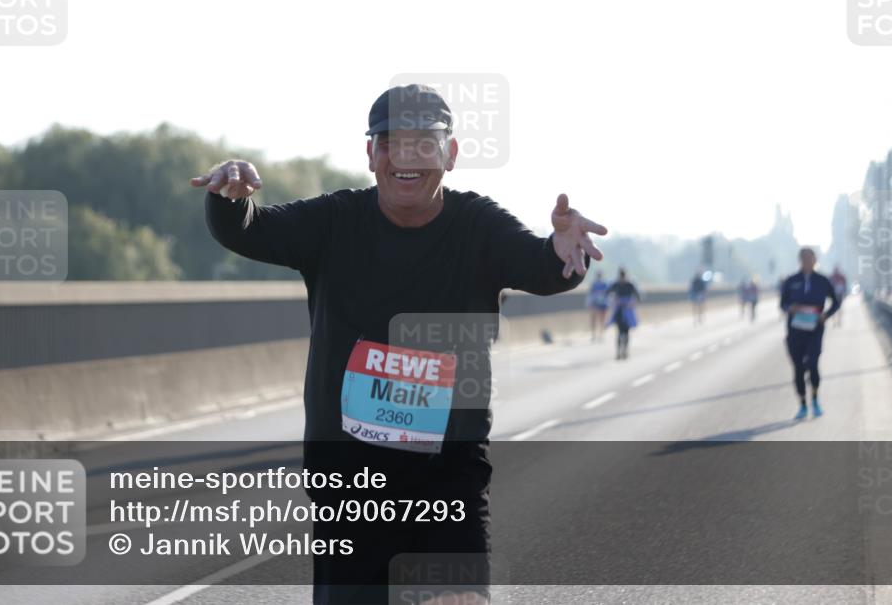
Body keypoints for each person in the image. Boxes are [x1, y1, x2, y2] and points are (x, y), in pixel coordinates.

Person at [191, 84, 607, 605]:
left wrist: (563, 251)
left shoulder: (477, 225)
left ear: (451, 154)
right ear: (370, 155)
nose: (405, 157)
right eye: (390, 142)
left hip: (446, 481)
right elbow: (249, 230)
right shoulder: (335, 221)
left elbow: (540, 264)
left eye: (423, 143)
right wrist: (229, 197)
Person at [779, 248, 841, 420]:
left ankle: (815, 399)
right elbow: (782, 303)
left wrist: (826, 315)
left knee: (812, 364)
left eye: (810, 258)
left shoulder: (822, 280)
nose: (807, 261)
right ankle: (802, 405)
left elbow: (836, 301)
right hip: (795, 330)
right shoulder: (791, 281)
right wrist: (790, 308)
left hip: (815, 329)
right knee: (798, 368)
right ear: (800, 260)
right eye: (804, 258)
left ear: (815, 260)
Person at [607, 268, 640, 359]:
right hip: (619, 311)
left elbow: (638, 297)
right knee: (619, 332)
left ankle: (625, 351)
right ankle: (618, 352)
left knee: (626, 333)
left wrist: (632, 303)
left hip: (628, 312)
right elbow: (607, 293)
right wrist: (613, 300)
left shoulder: (630, 285)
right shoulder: (616, 284)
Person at [587, 270, 610, 341]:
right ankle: (595, 335)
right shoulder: (594, 284)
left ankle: (600, 335)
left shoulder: (604, 283)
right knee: (595, 320)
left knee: (601, 320)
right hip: (596, 304)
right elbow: (591, 294)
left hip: (602, 305)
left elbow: (607, 294)